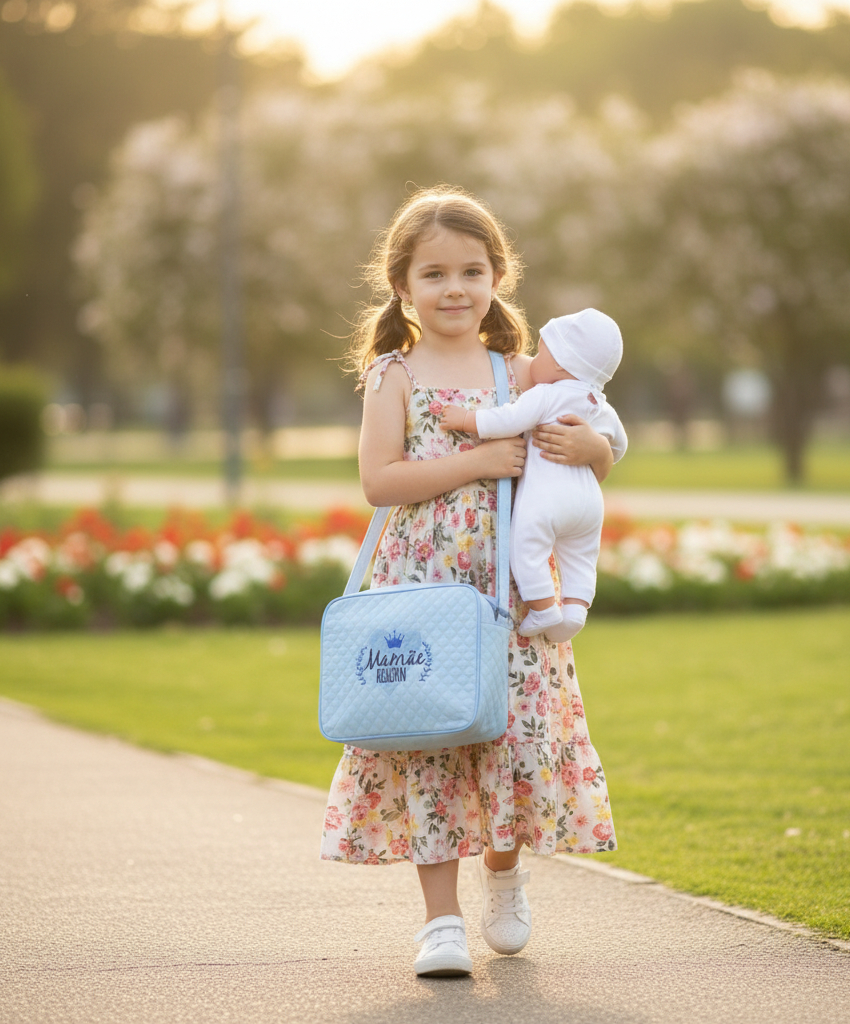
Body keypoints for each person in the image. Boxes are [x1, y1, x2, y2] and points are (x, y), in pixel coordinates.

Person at [321, 186, 619, 979]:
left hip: (508, 591)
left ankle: (504, 873)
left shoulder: (518, 371)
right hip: (422, 582)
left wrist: (595, 450)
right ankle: (440, 922)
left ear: (497, 278)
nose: (455, 289)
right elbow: (381, 481)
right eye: (435, 274)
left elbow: (594, 440)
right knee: (429, 740)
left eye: (472, 271)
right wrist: (482, 460)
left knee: (508, 733)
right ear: (402, 287)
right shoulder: (393, 374)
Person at [438, 308, 625, 641]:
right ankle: (576, 610)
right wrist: (596, 447)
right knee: (581, 556)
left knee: (525, 547)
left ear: (560, 364)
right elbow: (617, 449)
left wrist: (466, 419)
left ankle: (543, 609)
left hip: (547, 500)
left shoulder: (546, 394)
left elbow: (507, 421)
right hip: (589, 504)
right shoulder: (602, 407)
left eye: (541, 352)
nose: (534, 359)